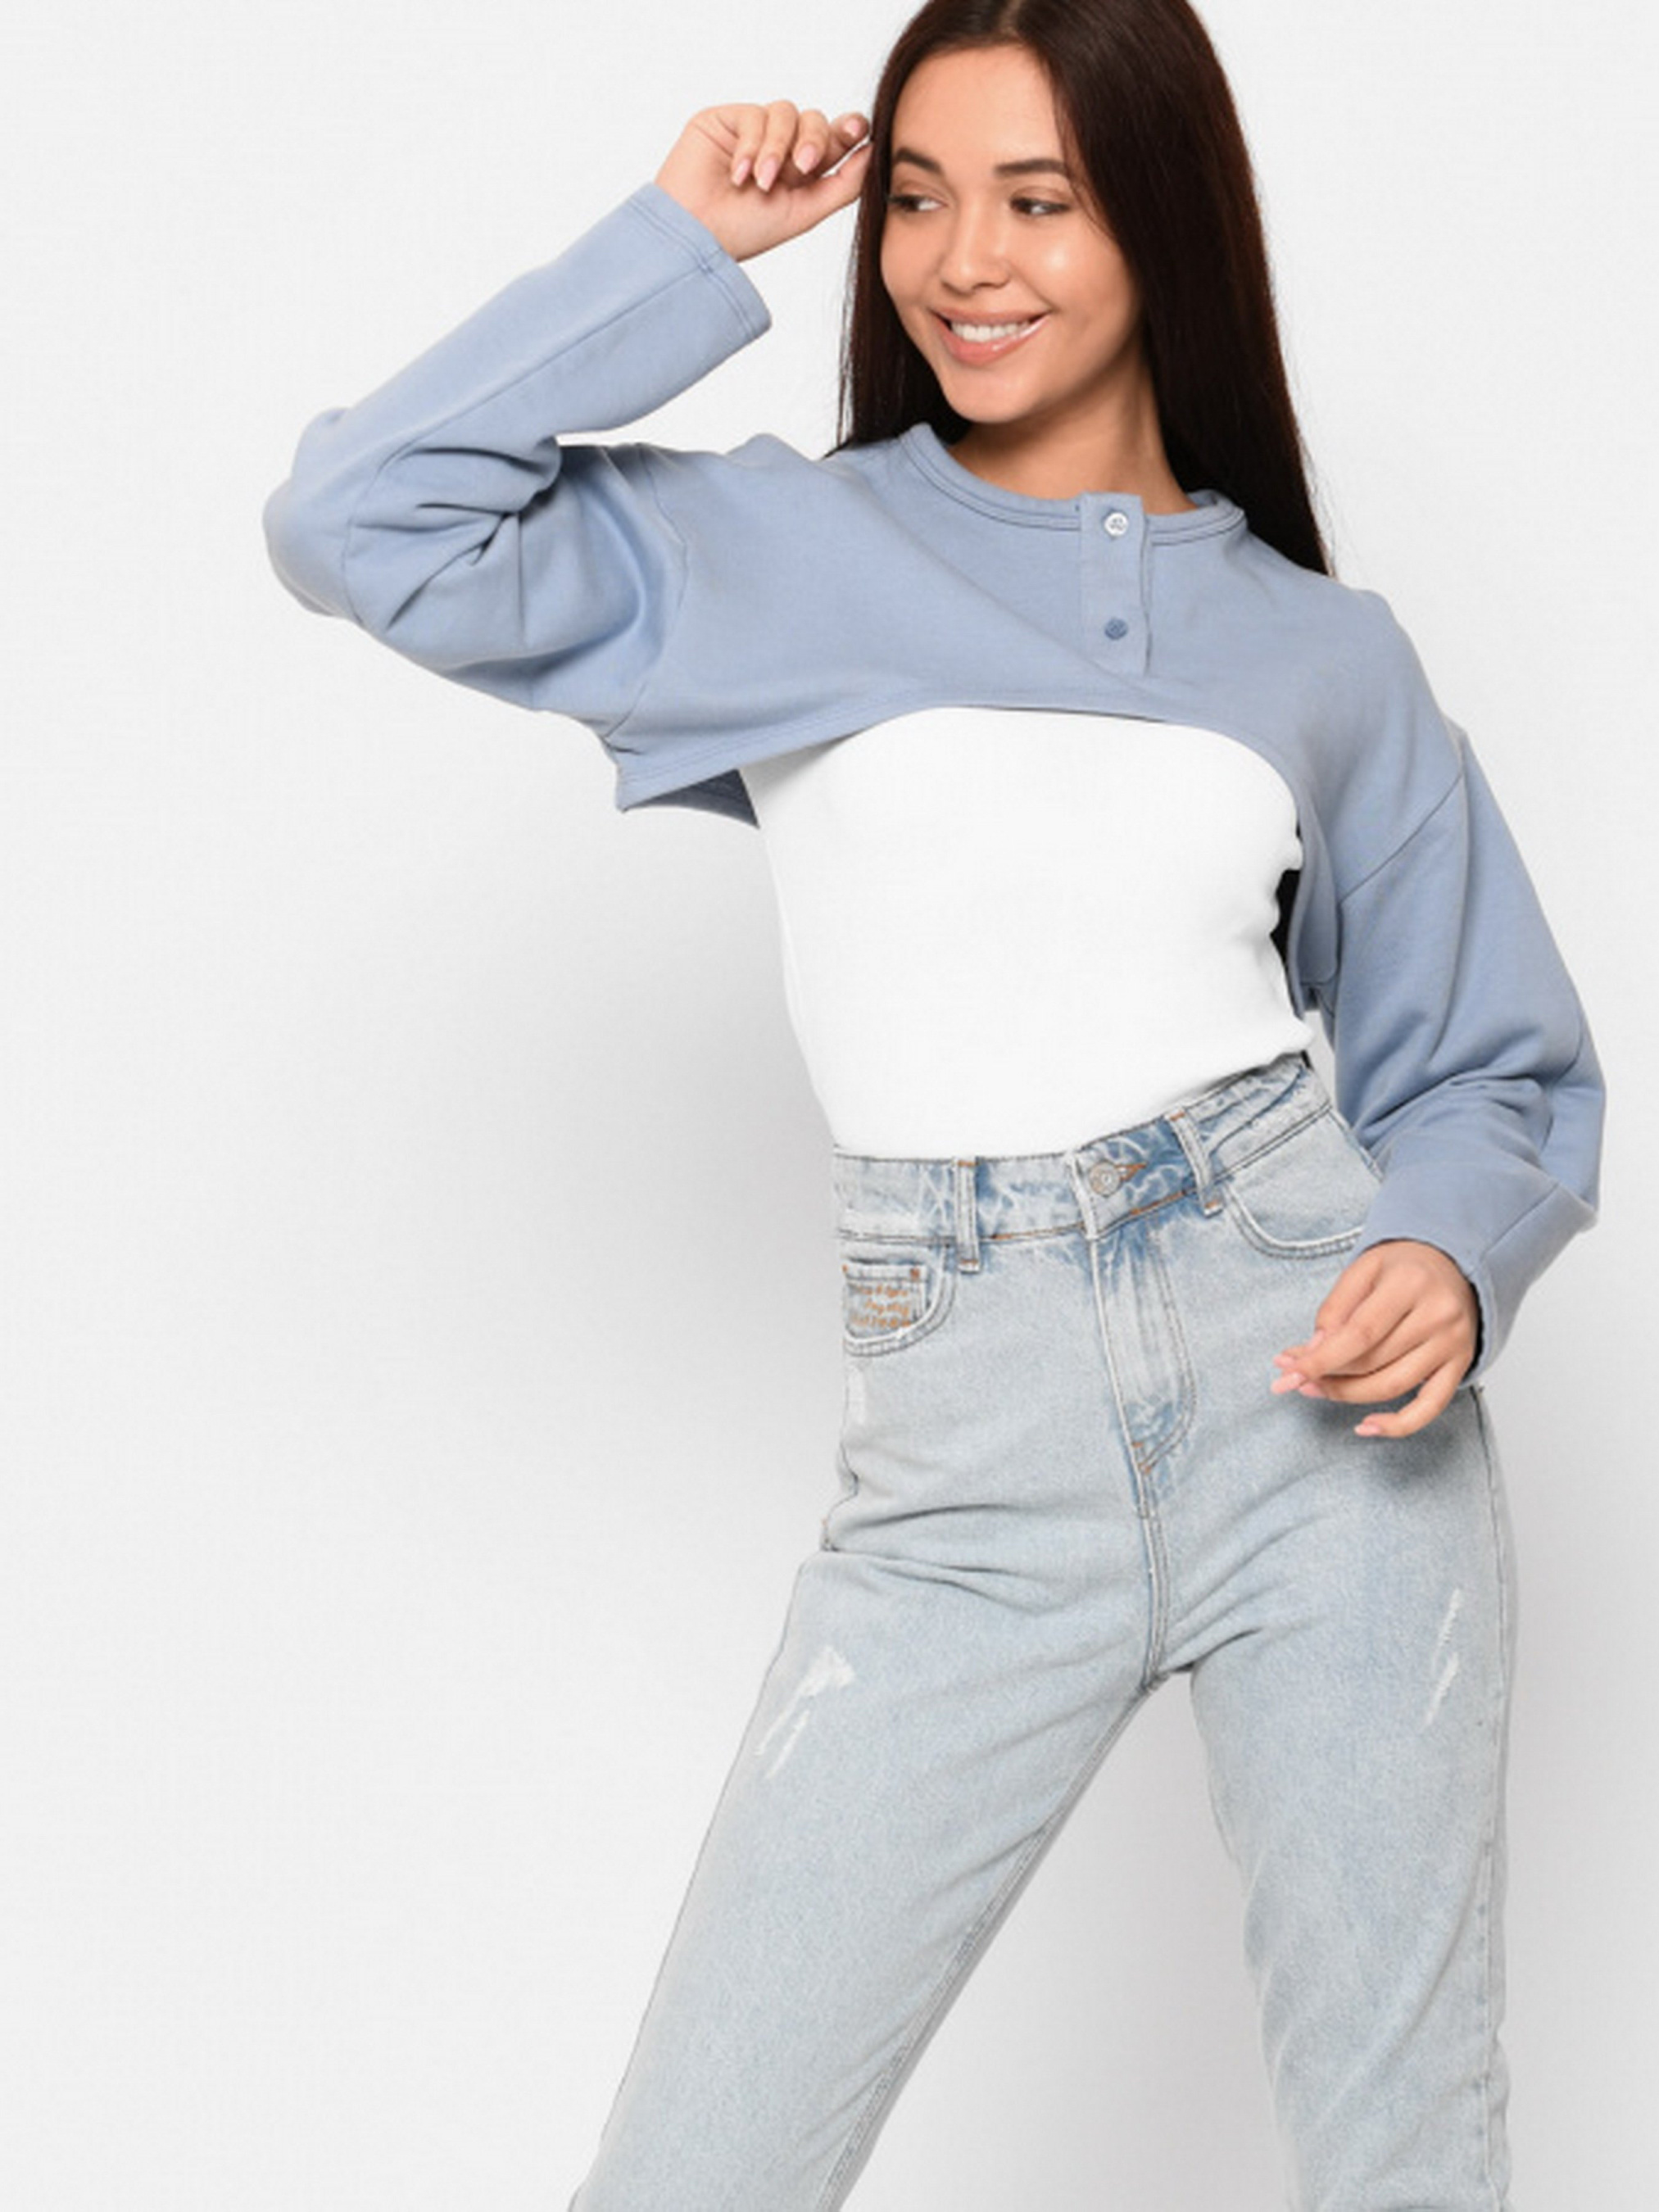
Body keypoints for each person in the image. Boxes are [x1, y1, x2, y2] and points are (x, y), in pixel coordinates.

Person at [262, 2, 1604, 2204]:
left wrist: (1446, 1255)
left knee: (1403, 2159)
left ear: (1161, 224)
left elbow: (1490, 1061)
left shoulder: (1319, 652)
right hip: (963, 1469)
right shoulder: (775, 557)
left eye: (1039, 199)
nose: (963, 260)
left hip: (1320, 1416)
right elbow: (356, 517)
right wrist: (677, 242)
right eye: (917, 195)